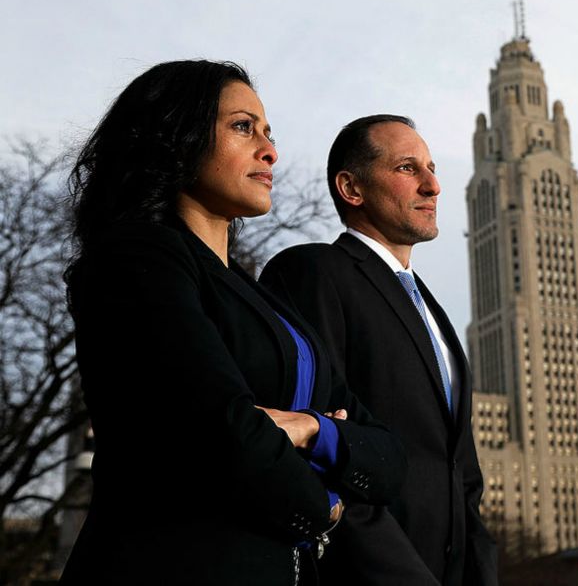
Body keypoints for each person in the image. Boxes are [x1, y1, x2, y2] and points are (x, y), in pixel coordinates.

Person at [61, 61, 406, 585]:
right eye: (243, 128)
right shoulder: (136, 256)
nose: (270, 150)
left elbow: (389, 455)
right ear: (175, 135)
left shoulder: (264, 302)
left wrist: (311, 428)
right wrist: (329, 507)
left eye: (269, 133)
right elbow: (219, 433)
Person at [260, 115, 498, 585]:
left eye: (432, 168)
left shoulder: (435, 314)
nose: (433, 186)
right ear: (352, 188)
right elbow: (320, 449)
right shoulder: (312, 273)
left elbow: (462, 476)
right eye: (409, 168)